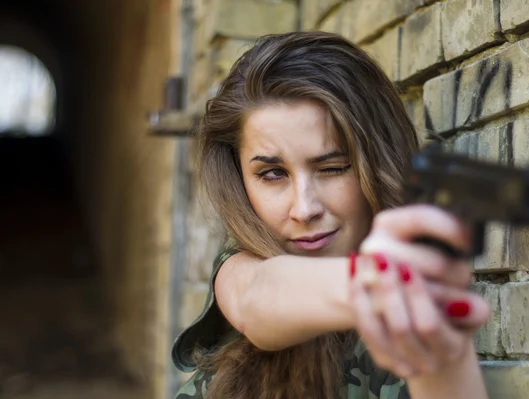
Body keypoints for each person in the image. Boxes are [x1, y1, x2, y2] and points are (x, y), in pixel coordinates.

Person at [172, 31, 491, 399]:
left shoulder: (414, 317)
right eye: (272, 174)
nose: (305, 208)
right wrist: (380, 285)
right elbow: (255, 299)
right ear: (239, 177)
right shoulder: (244, 261)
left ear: (378, 163)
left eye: (333, 167)